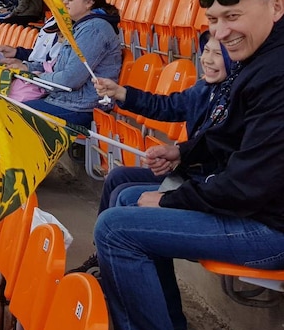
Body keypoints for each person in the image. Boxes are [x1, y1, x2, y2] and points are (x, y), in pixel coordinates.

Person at [93, 0, 284, 330]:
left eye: (232, 17)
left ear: (277, 7)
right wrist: (181, 152)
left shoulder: (276, 72)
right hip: (256, 209)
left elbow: (248, 185)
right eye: (213, 21)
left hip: (270, 228)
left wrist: (172, 199)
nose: (219, 34)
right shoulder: (259, 60)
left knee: (117, 229)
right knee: (125, 201)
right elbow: (224, 138)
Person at [71, 32, 232, 276]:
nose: (207, 59)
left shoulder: (237, 97)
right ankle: (103, 259)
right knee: (118, 177)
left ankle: (115, 266)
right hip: (192, 172)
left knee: (126, 197)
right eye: (206, 51)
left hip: (206, 182)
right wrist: (121, 92)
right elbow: (168, 106)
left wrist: (180, 155)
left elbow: (219, 147)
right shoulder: (205, 88)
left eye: (218, 54)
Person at [21, 0, 121, 126]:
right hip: (67, 101)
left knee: (14, 112)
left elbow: (71, 79)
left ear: (89, 2)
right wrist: (27, 68)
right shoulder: (83, 26)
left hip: (82, 108)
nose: (66, 1)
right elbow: (58, 68)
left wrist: (40, 78)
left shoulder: (93, 29)